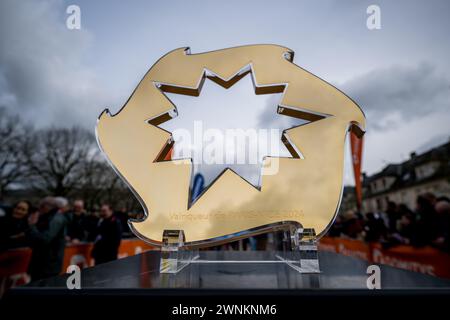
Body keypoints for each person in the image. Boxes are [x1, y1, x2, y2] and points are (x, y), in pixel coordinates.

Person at [26, 196, 69, 280]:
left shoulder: (56, 218)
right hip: (42, 264)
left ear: (47, 206)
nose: (39, 209)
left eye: (41, 206)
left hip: (48, 266)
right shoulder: (47, 217)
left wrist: (32, 226)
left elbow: (44, 239)